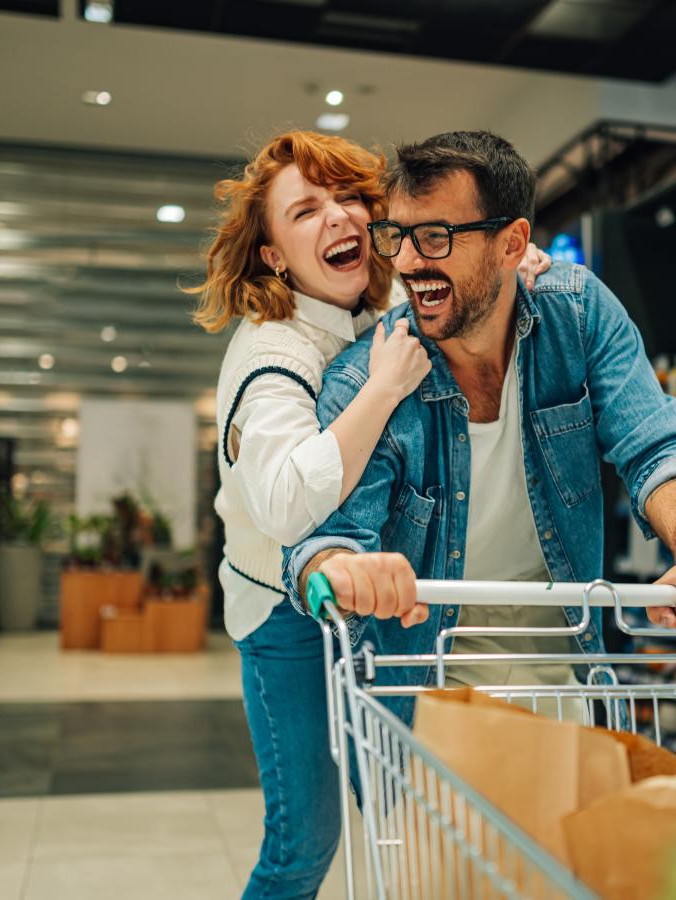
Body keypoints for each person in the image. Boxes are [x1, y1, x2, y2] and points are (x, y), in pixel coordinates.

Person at [287, 131, 676, 728]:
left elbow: (655, 445)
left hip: (570, 678)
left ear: (512, 244)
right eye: (397, 237)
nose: (406, 262)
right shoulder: (365, 383)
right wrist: (343, 567)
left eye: (435, 237)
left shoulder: (578, 317)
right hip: (427, 691)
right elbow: (326, 541)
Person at [190, 130, 550, 900]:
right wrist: (381, 388)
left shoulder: (369, 301)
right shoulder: (272, 353)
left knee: (403, 814)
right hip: (287, 615)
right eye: (306, 210)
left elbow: (457, 283)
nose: (340, 218)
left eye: (350, 197)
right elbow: (288, 503)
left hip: (377, 591)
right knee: (304, 842)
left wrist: (513, 268)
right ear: (274, 255)